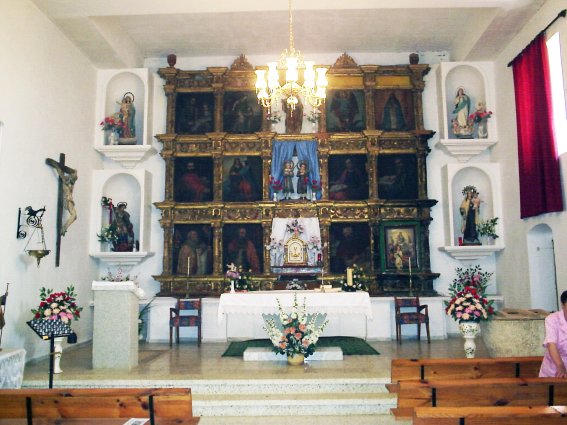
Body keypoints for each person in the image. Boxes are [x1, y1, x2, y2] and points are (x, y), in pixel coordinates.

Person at [45, 158, 78, 236]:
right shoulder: (65, 181)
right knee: (74, 215)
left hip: (70, 199)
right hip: (67, 199)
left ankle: (64, 228)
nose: (74, 179)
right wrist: (55, 165)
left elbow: (75, 174)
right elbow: (59, 171)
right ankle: (64, 228)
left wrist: (75, 172)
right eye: (73, 177)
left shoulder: (72, 183)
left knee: (75, 216)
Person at [540, 290, 567, 378]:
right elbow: (551, 344)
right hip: (553, 369)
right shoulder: (552, 319)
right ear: (563, 305)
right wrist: (560, 365)